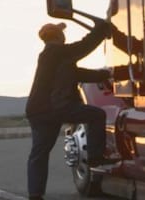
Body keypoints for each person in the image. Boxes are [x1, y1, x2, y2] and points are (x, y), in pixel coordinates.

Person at [25, 12, 117, 200]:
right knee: (97, 115)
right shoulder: (56, 51)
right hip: (56, 108)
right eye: (61, 33)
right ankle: (95, 157)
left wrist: (105, 75)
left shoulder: (52, 57)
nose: (64, 35)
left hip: (37, 111)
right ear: (57, 37)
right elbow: (83, 47)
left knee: (39, 153)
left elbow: (77, 74)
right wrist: (101, 29)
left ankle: (35, 194)